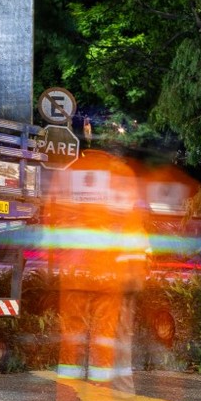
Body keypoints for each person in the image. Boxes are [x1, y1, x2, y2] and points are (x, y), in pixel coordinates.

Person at [44, 149, 150, 383]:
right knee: (105, 328)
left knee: (72, 327)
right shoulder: (121, 176)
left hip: (74, 274)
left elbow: (53, 221)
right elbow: (133, 238)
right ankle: (100, 377)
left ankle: (69, 375)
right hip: (110, 276)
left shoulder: (71, 170)